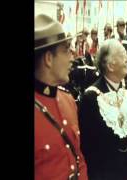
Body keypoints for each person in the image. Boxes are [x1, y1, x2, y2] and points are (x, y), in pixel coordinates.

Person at [34, 14, 88, 180]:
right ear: (49, 59)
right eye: (66, 51)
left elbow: (78, 157)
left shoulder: (68, 99)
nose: (72, 58)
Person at [79, 39, 127, 180]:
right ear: (111, 65)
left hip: (125, 172)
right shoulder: (90, 97)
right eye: (123, 55)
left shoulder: (126, 91)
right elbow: (87, 147)